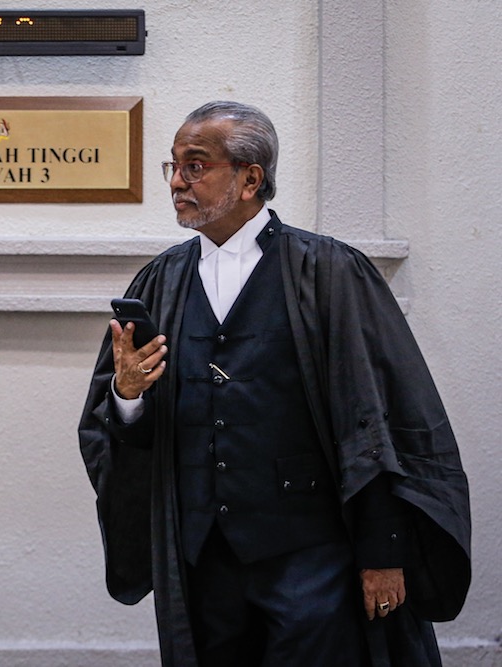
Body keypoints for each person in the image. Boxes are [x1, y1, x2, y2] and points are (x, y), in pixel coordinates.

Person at [78, 101, 471, 666]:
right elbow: (115, 421)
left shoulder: (330, 272)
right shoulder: (161, 281)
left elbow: (382, 419)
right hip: (201, 558)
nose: (177, 183)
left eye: (195, 166)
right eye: (174, 167)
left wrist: (383, 552)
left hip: (311, 557)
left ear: (249, 179)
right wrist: (129, 395)